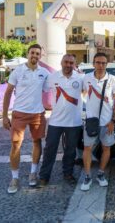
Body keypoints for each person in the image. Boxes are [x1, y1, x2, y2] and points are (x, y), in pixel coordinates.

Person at [2, 44, 50, 194]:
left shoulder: (45, 73)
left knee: (37, 142)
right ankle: (15, 178)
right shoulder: (18, 70)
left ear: (40, 56)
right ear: (28, 54)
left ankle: (33, 172)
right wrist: (4, 115)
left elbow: (53, 87)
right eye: (32, 53)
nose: (35, 55)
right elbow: (8, 93)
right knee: (16, 145)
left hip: (37, 114)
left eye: (37, 53)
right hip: (19, 113)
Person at [38, 54, 84, 187]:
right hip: (55, 122)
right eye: (66, 62)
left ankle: (68, 174)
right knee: (49, 150)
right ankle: (44, 176)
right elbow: (39, 90)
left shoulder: (80, 77)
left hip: (74, 122)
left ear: (75, 64)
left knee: (70, 150)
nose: (68, 65)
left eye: (71, 63)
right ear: (61, 62)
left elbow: (89, 91)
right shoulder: (52, 77)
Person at [81, 52, 115, 191]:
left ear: (107, 64)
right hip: (91, 121)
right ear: (93, 63)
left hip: (107, 122)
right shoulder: (86, 78)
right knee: (87, 149)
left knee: (106, 148)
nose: (100, 65)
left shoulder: (112, 79)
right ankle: (87, 176)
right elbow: (82, 93)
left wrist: (113, 120)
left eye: (103, 63)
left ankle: (100, 173)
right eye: (98, 62)